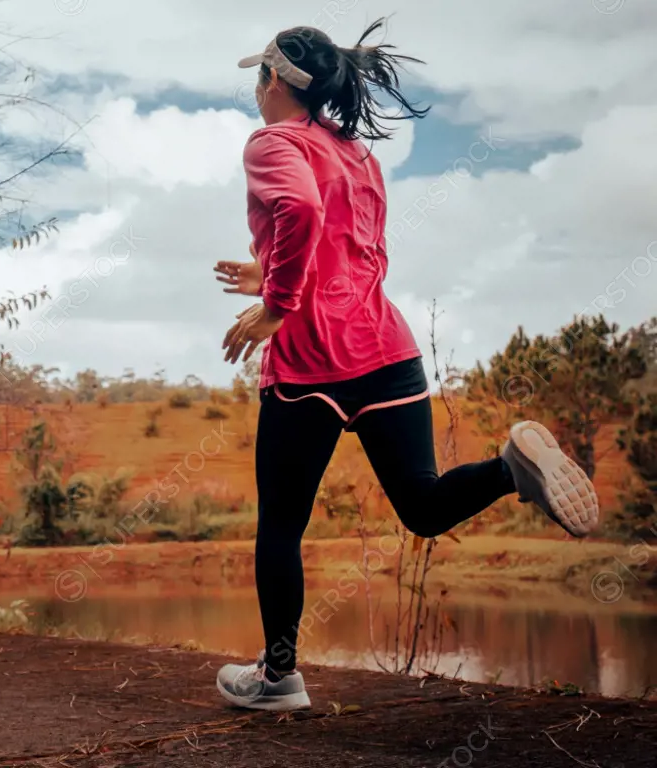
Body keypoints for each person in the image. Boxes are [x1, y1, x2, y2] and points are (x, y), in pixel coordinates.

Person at [212, 20, 600, 712]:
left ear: (274, 81)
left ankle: (279, 679)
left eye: (257, 78)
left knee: (281, 526)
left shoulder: (271, 142)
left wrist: (276, 303)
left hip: (311, 366)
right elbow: (349, 247)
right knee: (421, 506)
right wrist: (267, 270)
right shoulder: (356, 153)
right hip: (387, 351)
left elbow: (299, 208)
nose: (254, 92)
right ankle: (511, 469)